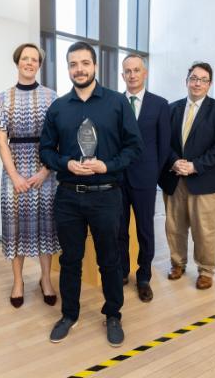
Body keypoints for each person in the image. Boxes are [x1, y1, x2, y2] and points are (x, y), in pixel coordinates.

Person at [40, 41, 143, 347]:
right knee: (70, 260)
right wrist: (66, 163)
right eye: (73, 64)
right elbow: (45, 150)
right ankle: (69, 314)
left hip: (106, 194)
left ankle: (113, 314)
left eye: (85, 63)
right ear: (68, 68)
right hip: (68, 196)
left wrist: (106, 165)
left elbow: (134, 147)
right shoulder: (58, 107)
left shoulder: (116, 103)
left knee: (109, 260)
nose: (79, 69)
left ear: (95, 66)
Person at [0, 43, 60, 308]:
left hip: (46, 170)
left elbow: (60, 139)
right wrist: (15, 175)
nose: (29, 63)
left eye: (34, 59)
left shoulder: (53, 97)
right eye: (25, 59)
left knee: (46, 226)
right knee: (14, 226)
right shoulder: (3, 98)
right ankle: (18, 281)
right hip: (13, 171)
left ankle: (45, 279)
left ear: (39, 65)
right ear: (17, 62)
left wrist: (45, 170)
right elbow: (1, 141)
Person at [158, 62, 215, 290]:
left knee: (205, 230)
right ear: (186, 80)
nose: (197, 83)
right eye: (194, 78)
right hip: (174, 178)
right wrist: (174, 161)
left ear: (209, 84)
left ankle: (206, 270)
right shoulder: (171, 109)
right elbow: (163, 142)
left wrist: (195, 166)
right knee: (174, 227)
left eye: (203, 79)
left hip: (205, 181)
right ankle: (177, 263)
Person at [118, 54, 171, 302]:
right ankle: (122, 272)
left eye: (136, 70)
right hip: (117, 179)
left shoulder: (160, 104)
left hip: (145, 179)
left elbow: (164, 144)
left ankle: (144, 276)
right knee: (119, 230)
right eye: (127, 71)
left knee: (145, 231)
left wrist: (152, 173)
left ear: (145, 73)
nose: (132, 75)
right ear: (123, 75)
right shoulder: (115, 103)